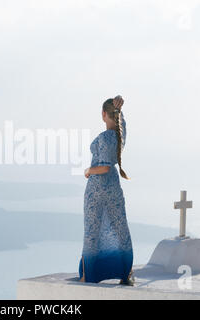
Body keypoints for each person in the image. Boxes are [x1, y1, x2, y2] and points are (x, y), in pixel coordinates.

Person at [79, 96, 134, 285]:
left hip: (97, 190)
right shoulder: (120, 135)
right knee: (120, 228)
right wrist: (121, 110)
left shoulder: (104, 137)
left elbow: (104, 167)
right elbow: (122, 123)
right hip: (114, 188)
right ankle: (126, 273)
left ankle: (88, 275)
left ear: (103, 114)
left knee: (92, 231)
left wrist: (88, 171)